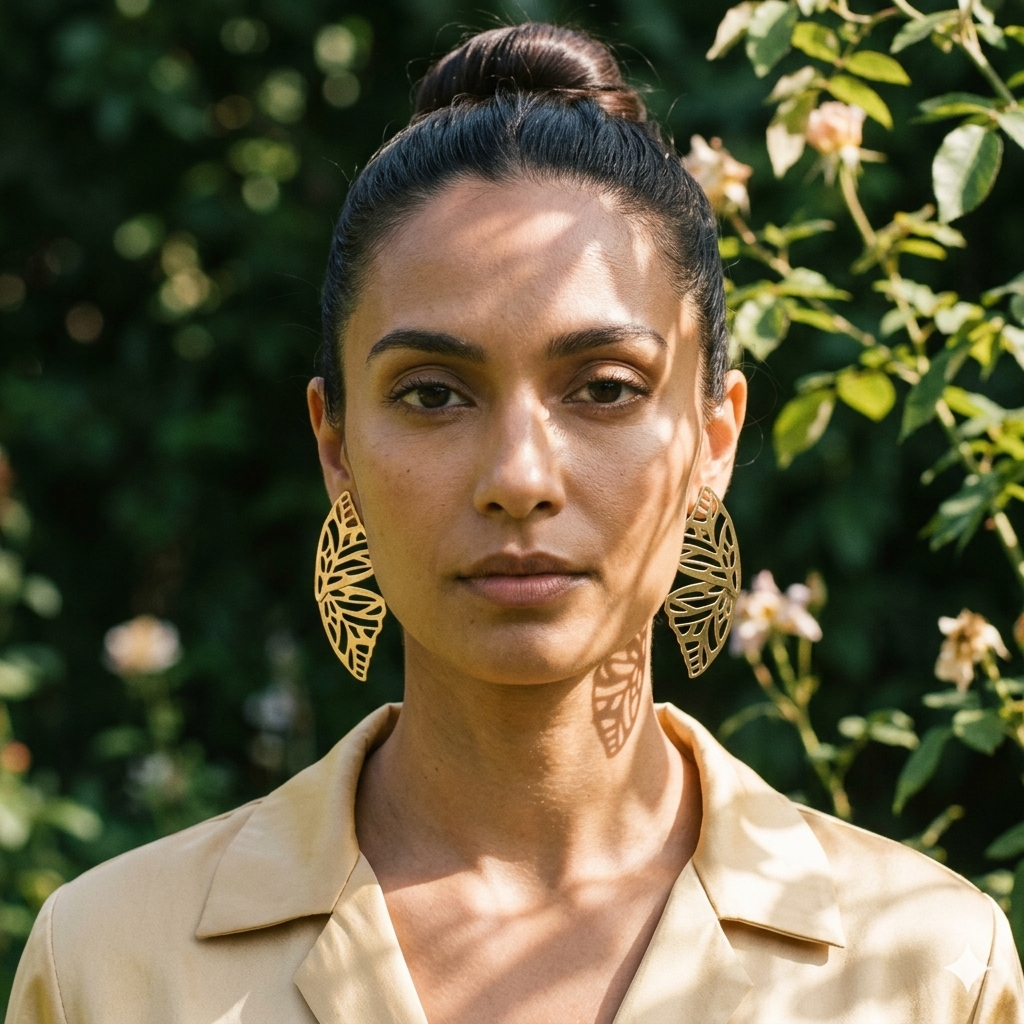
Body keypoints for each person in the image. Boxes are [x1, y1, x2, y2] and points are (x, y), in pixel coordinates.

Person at [7, 22, 1023, 1024]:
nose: (519, 478)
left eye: (606, 387)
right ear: (335, 448)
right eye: (434, 394)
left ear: (714, 440)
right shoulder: (113, 962)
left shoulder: (925, 967)